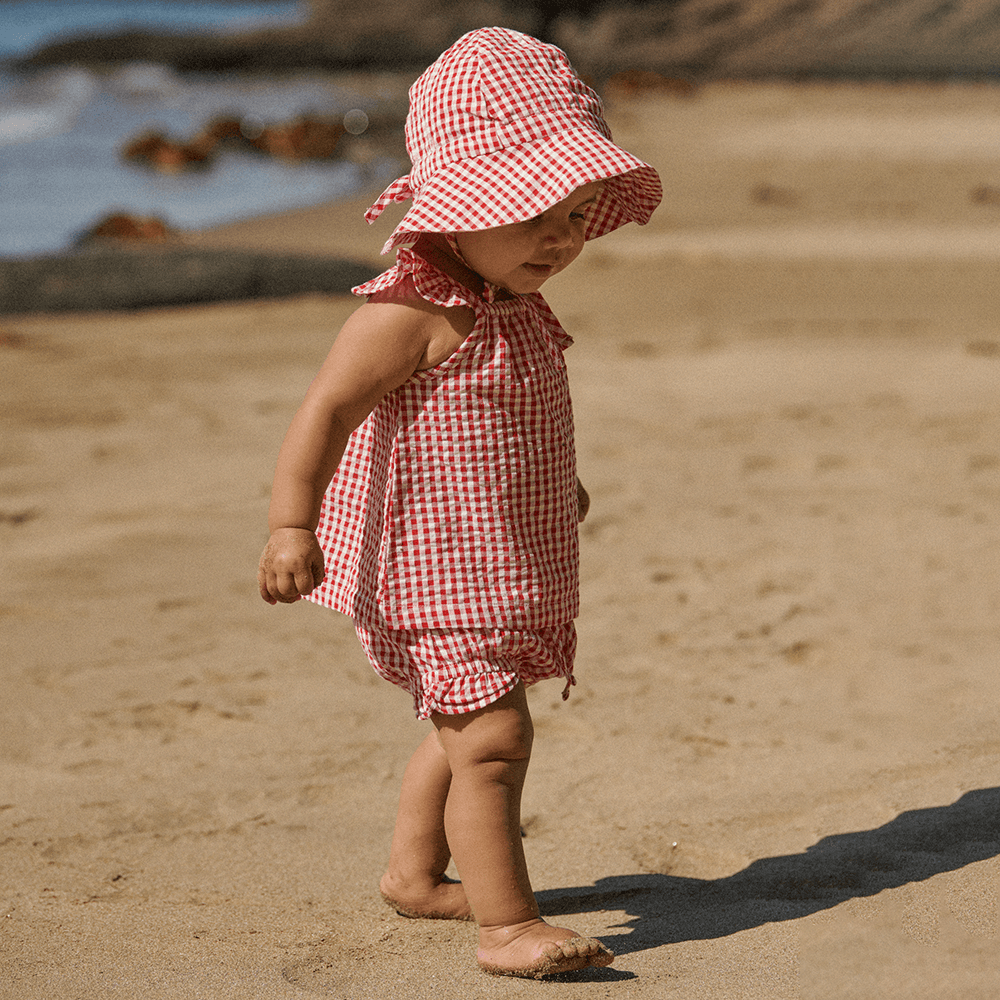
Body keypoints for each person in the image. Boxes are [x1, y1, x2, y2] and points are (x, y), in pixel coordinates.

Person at [257, 26, 661, 979]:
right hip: (433, 563)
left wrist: (559, 484)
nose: (559, 239)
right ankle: (506, 926)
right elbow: (326, 409)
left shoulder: (514, 303)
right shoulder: (410, 311)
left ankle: (413, 873)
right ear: (460, 207)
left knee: (463, 717)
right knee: (492, 735)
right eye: (532, 215)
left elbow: (511, 416)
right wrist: (289, 523)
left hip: (503, 554)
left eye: (577, 214)